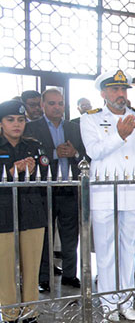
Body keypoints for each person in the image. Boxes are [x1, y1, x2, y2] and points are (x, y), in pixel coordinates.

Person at [81, 70, 135, 323]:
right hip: (105, 194)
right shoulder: (90, 119)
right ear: (103, 93)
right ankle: (109, 305)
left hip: (133, 194)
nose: (120, 95)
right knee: (106, 251)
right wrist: (119, 135)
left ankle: (126, 302)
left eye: (123, 90)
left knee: (129, 250)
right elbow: (94, 152)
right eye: (115, 90)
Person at [24, 88, 86, 292]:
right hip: (44, 190)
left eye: (60, 103)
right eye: (51, 103)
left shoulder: (74, 128)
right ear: (43, 106)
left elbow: (86, 157)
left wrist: (74, 153)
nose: (57, 107)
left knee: (70, 235)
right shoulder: (31, 128)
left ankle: (70, 274)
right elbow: (29, 156)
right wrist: (53, 153)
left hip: (69, 189)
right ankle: (43, 277)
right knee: (44, 236)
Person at [0, 100, 47, 323]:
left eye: (20, 120)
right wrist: (10, 172)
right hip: (3, 215)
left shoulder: (33, 146)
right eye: (10, 120)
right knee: (5, 268)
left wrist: (32, 170)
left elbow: (48, 176)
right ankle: (9, 318)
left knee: (31, 268)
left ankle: (30, 316)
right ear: (1, 123)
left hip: (31, 213)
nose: (16, 125)